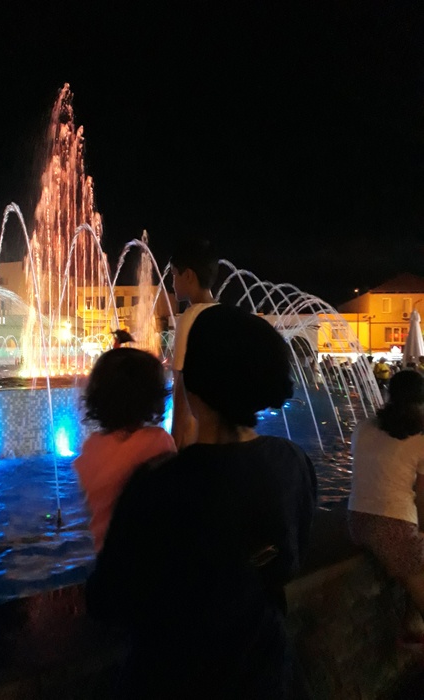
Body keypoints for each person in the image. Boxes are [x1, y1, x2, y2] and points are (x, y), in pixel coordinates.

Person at [85, 305, 317, 699]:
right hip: (265, 670)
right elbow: (287, 560)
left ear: (190, 389)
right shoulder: (293, 464)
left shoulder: (159, 486)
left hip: (173, 678)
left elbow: (109, 598)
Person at [74, 347, 176, 552]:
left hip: (107, 557)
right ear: (153, 397)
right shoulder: (158, 442)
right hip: (147, 556)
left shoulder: (90, 448)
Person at [348, 370, 424, 644]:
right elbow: (422, 499)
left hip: (356, 522)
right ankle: (413, 627)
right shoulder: (420, 440)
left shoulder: (363, 427)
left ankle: (413, 626)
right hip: (393, 528)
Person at [169, 237, 218, 449]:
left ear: (188, 275)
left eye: (173, 275)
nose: (172, 283)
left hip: (199, 442)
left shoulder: (191, 317)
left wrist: (176, 446)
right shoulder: (222, 314)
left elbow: (183, 387)